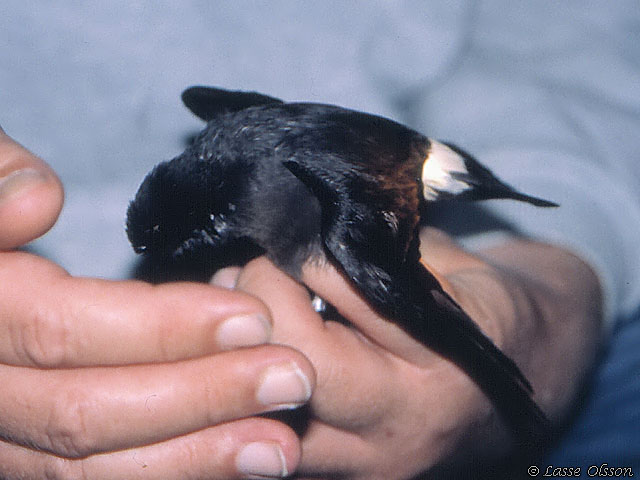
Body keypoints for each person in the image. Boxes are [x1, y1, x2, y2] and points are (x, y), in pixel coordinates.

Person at [1, 2, 638, 478]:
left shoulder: (296, 195)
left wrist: (539, 313)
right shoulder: (226, 147)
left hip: (562, 284)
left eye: (172, 240)